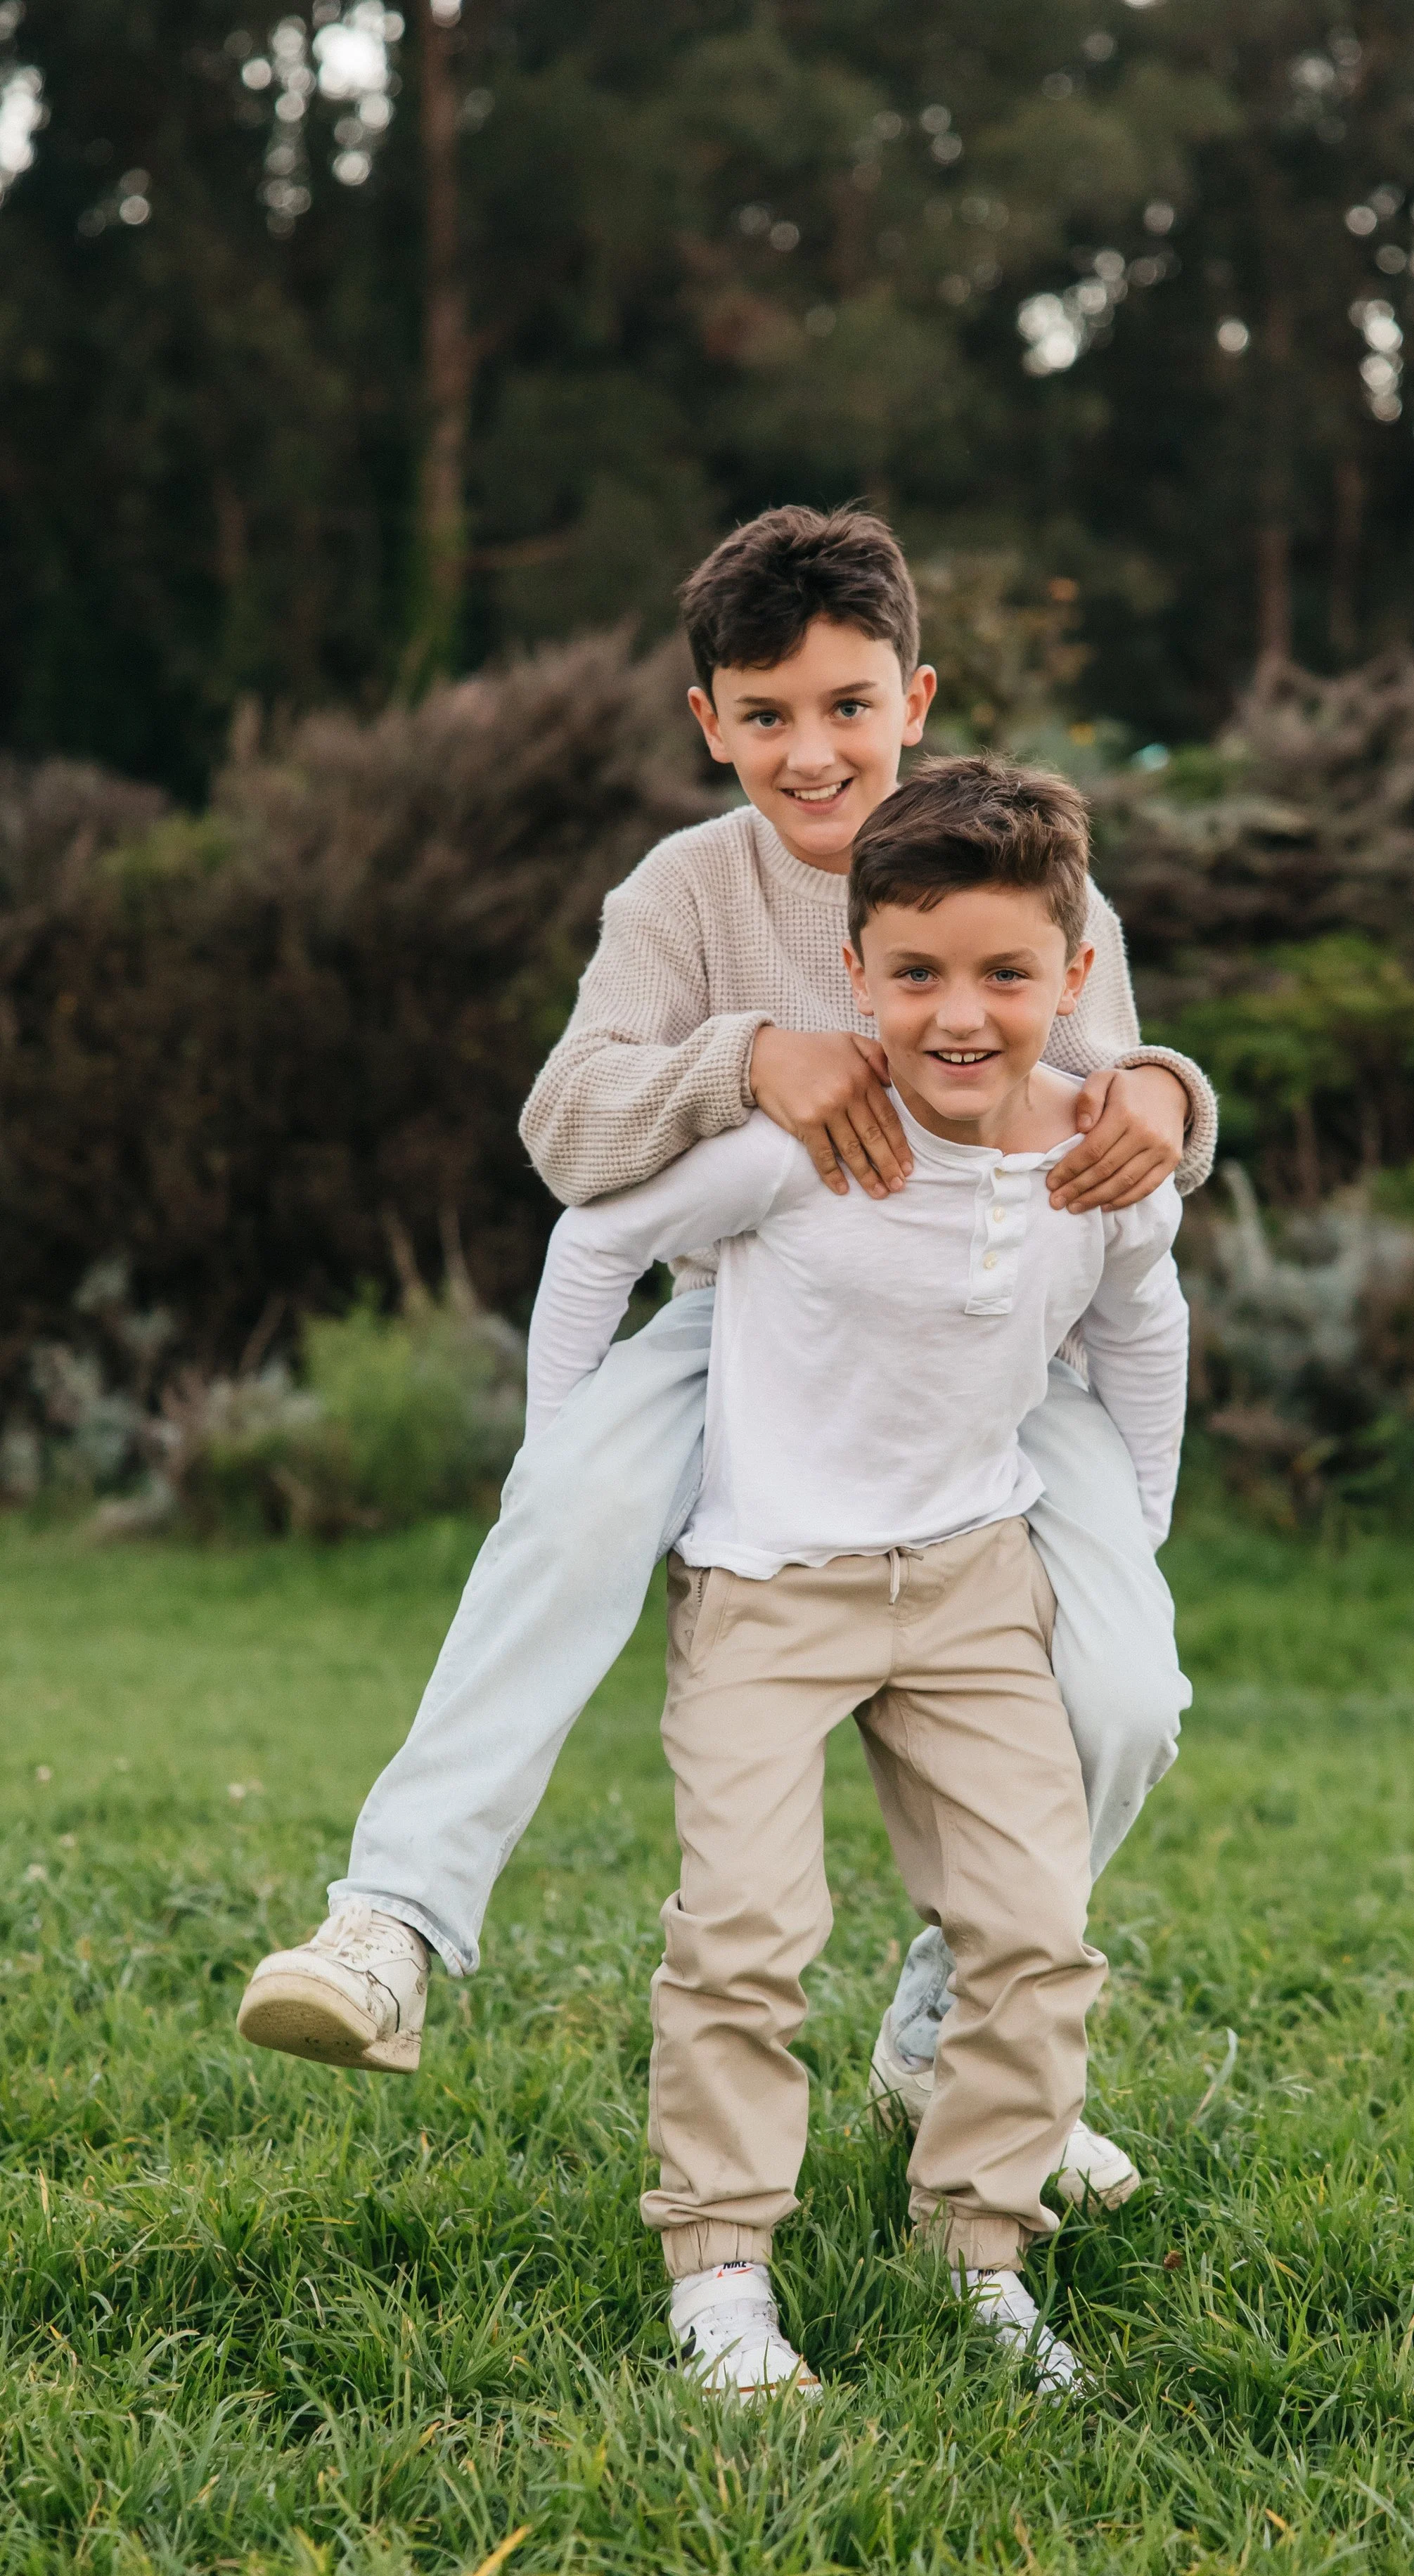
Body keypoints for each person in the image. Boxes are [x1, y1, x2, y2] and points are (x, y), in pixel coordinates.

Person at [237, 508, 1211, 2207]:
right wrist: (743, 1056)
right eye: (765, 716)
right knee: (564, 1514)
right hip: (741, 1314)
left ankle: (950, 2023)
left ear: (913, 696)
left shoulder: (1051, 890)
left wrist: (1166, 1094)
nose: (809, 751)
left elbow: (1112, 1121)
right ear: (709, 723)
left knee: (1128, 1693)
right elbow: (565, 1128)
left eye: (845, 707)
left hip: (995, 1356)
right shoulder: (683, 892)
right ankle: (391, 1919)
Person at [524, 756, 1188, 2393]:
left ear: (1073, 979)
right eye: (915, 976)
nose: (959, 1017)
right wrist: (558, 1470)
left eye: (1004, 977)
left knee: (1032, 1931)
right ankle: (722, 2273)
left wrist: (1140, 1534)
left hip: (968, 1585)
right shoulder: (800, 1142)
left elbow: (1142, 1322)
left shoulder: (1094, 1161)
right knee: (745, 1928)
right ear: (855, 974)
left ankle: (978, 2255)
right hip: (767, 1584)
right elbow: (593, 1241)